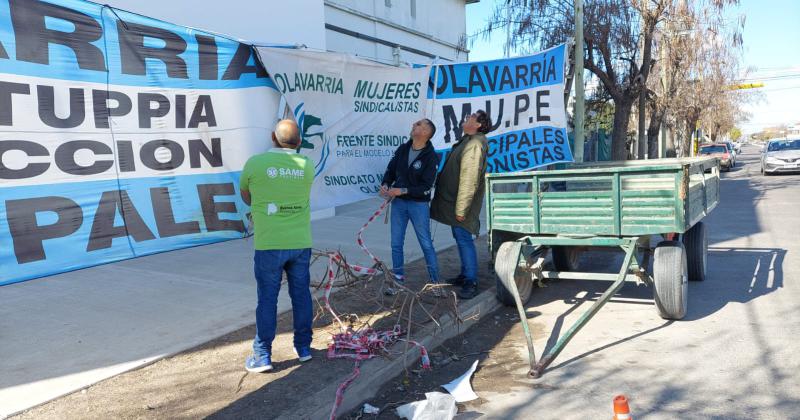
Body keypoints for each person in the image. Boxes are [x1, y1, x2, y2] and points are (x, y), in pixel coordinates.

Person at [239, 119, 314, 372]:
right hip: (300, 242)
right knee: (301, 295)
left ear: (272, 137)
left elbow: (246, 195)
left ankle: (262, 356)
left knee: (268, 299)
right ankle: (303, 348)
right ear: (300, 142)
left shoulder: (255, 163)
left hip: (269, 242)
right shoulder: (307, 165)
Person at [430, 110, 491, 299]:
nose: (466, 119)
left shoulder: (474, 144)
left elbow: (469, 179)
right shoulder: (468, 141)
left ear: (478, 124)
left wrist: (461, 209)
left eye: (470, 118)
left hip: (462, 204)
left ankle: (471, 281)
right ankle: (465, 274)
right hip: (456, 202)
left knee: (463, 238)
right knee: (460, 237)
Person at [380, 119, 441, 294]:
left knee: (426, 244)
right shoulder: (403, 149)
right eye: (414, 124)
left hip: (418, 206)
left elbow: (426, 186)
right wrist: (386, 183)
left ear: (426, 132)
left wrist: (403, 190)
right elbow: (390, 170)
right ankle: (397, 281)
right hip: (399, 205)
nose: (413, 125)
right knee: (396, 244)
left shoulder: (431, 156)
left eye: (419, 125)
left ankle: (436, 283)